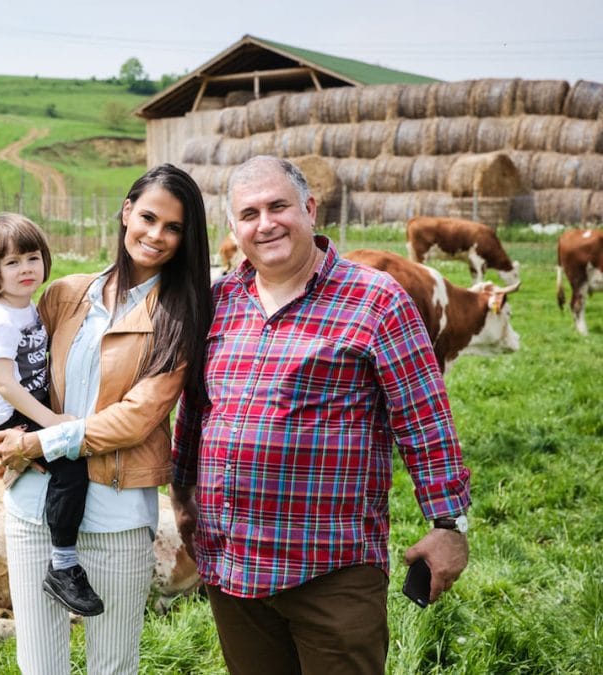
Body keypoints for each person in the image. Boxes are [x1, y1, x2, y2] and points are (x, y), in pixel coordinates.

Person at [171, 155, 471, 675]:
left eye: (278, 206)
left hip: (330, 568)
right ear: (233, 229)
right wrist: (182, 498)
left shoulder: (376, 300)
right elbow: (195, 413)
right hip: (231, 563)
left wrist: (447, 524)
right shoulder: (216, 302)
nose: (265, 224)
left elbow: (425, 418)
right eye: (249, 214)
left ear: (309, 209)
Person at [0, 164, 212, 674]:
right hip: (33, 503)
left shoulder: (180, 317)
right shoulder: (64, 294)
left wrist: (40, 443)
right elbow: (17, 372)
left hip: (114, 513)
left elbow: (136, 419)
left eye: (173, 227)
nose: (155, 234)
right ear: (126, 212)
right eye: (148, 217)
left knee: (112, 666)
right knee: (39, 665)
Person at [0, 213, 100, 616]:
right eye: (12, 263)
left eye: (32, 257)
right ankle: (62, 564)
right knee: (71, 465)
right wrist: (52, 423)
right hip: (12, 416)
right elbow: (4, 383)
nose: (25, 269)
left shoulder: (26, 308)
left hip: (26, 406)